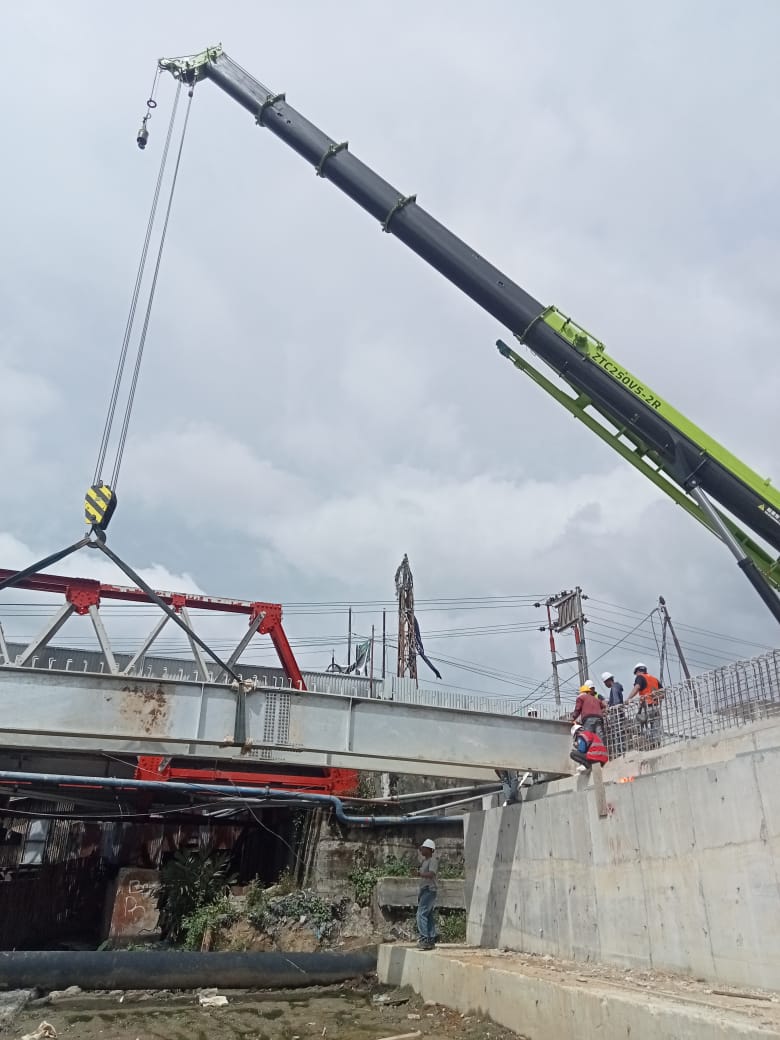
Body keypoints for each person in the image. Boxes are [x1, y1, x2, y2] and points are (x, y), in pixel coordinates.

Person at [627, 663, 664, 745]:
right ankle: (656, 744)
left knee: (640, 725)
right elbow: (662, 694)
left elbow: (637, 687)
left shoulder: (640, 677)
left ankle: (645, 743)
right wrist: (654, 697)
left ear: (638, 671)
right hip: (656, 707)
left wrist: (628, 699)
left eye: (636, 673)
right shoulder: (655, 679)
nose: (636, 675)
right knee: (656, 728)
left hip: (646, 707)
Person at [417, 838, 439, 950]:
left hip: (430, 890)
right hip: (425, 890)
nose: (421, 850)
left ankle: (424, 938)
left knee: (421, 914)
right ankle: (431, 939)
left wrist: (420, 874)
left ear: (430, 850)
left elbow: (431, 874)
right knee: (428, 915)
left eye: (424, 848)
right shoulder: (425, 862)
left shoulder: (432, 861)